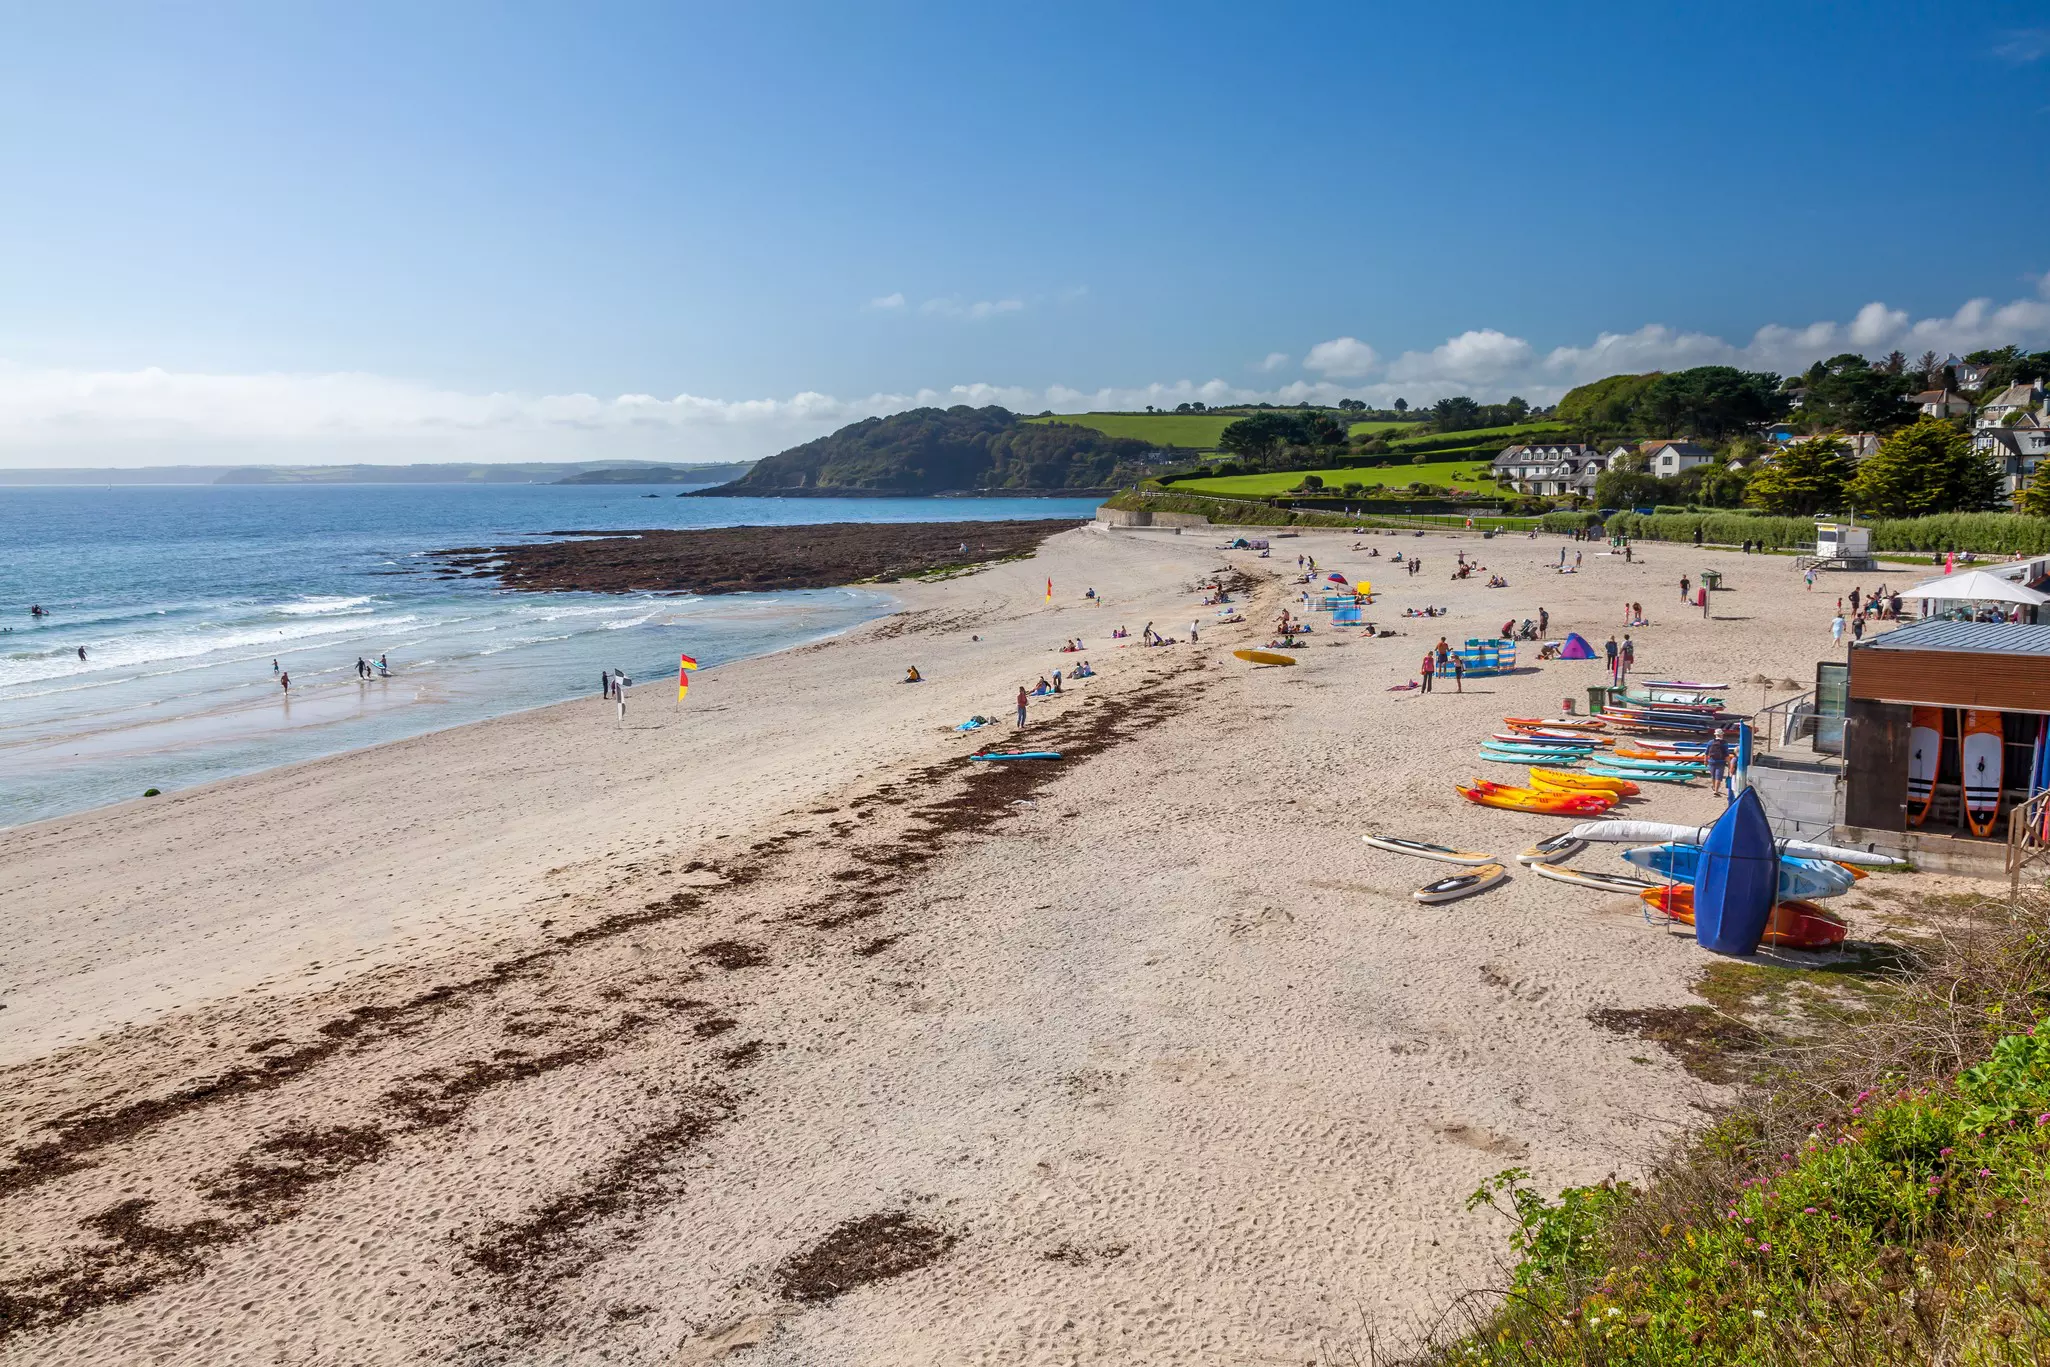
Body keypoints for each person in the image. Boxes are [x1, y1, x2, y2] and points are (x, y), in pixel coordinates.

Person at [1704, 727, 1730, 798]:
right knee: (1718, 777)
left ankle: (1714, 787)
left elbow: (1706, 753)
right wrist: (1729, 763)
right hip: (1721, 762)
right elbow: (1726, 754)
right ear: (1721, 735)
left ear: (1715, 735)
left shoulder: (1710, 742)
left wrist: (1705, 761)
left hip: (1711, 761)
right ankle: (1716, 791)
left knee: (1713, 776)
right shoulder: (1724, 743)